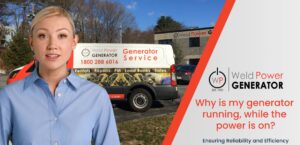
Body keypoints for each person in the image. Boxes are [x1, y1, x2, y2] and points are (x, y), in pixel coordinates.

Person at [0, 6, 120, 145]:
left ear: (74, 42)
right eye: (42, 35)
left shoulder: (97, 97)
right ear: (31, 42)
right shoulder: (8, 97)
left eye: (62, 35)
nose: (52, 45)